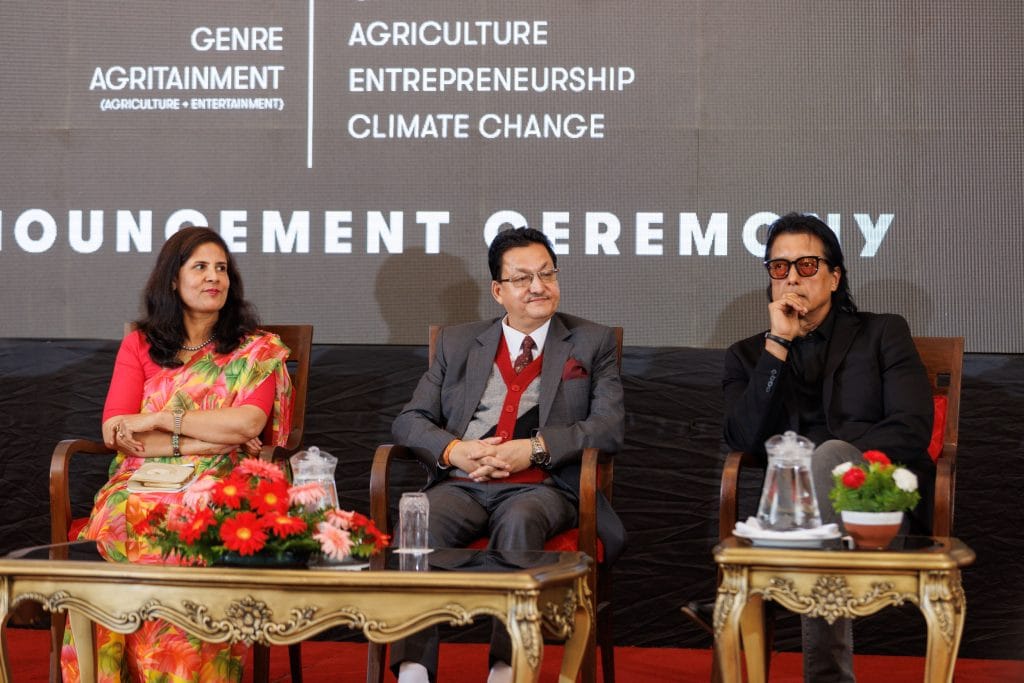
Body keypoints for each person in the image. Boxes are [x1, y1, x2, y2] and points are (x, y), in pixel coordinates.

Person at [390, 227, 625, 683]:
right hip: (463, 484)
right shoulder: (459, 343)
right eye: (522, 278)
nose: (538, 286)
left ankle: (507, 667)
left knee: (520, 519)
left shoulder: (590, 342)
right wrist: (456, 450)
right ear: (498, 291)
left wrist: (534, 450)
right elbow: (410, 419)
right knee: (420, 520)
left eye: (547, 274)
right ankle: (413, 670)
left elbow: (608, 426)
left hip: (544, 488)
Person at [60, 226, 294, 683]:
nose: (214, 277)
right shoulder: (141, 344)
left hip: (223, 478)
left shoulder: (256, 349)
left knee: (190, 519)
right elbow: (116, 429)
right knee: (115, 519)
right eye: (200, 267)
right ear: (173, 279)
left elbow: (248, 424)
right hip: (140, 477)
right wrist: (201, 439)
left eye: (221, 268)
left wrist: (162, 419)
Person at [722, 212, 933, 683]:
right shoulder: (749, 355)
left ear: (835, 277)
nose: (792, 278)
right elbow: (743, 439)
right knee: (811, 471)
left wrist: (836, 460)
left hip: (873, 509)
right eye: (779, 268)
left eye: (807, 265)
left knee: (828, 455)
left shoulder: (882, 332)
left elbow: (912, 427)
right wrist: (778, 344)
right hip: (789, 518)